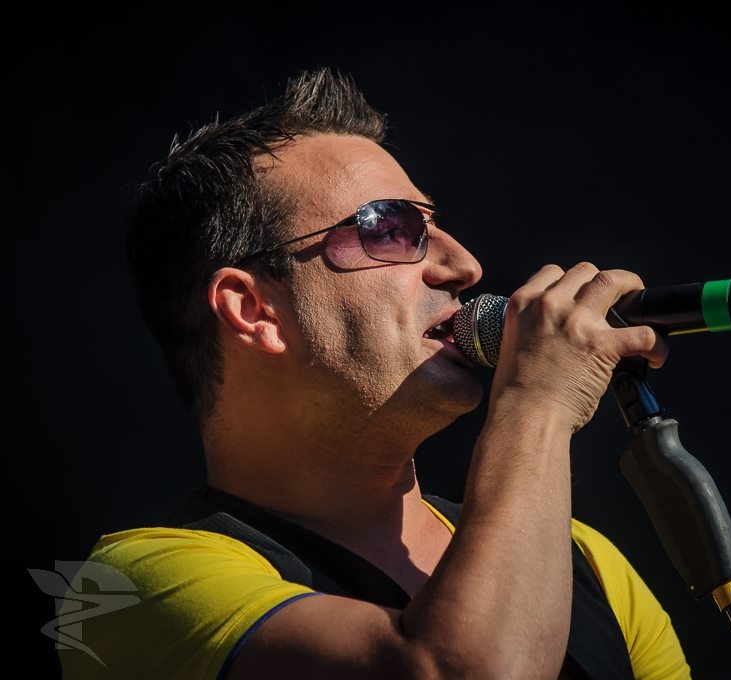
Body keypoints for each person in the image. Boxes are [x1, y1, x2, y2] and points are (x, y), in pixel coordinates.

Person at [60, 66, 692, 679]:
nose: (466, 266)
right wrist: (536, 406)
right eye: (391, 228)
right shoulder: (125, 590)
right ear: (254, 310)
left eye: (434, 225)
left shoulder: (582, 560)